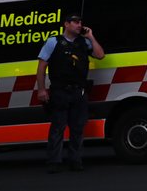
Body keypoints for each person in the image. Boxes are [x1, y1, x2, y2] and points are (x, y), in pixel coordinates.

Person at [35, 13, 104, 173]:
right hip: (60, 91)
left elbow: (100, 55)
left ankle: (75, 160)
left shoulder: (84, 42)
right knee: (58, 127)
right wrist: (41, 89)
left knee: (78, 128)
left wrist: (91, 37)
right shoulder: (54, 42)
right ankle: (54, 162)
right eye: (75, 22)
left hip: (79, 92)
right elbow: (41, 66)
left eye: (80, 22)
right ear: (66, 24)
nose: (79, 25)